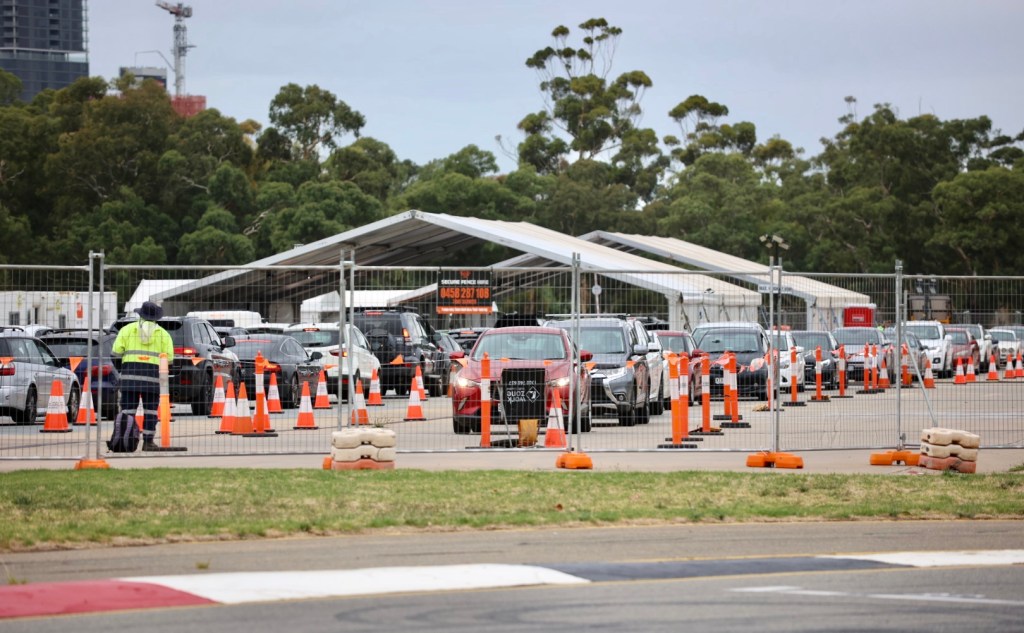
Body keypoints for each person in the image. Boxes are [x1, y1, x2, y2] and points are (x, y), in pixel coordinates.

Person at [112, 301, 174, 451]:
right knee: (151, 411)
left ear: (140, 314)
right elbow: (169, 360)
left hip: (129, 378)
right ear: (156, 317)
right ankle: (148, 442)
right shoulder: (163, 335)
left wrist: (123, 370)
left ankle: (125, 440)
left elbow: (115, 354)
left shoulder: (127, 330)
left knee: (128, 411)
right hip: (153, 379)